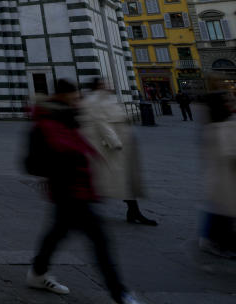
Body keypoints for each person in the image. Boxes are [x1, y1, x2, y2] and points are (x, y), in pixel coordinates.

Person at [26, 79, 139, 304]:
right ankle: (119, 293)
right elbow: (33, 162)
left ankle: (38, 271)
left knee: (57, 233)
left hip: (75, 190)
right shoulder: (48, 122)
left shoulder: (69, 116)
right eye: (76, 96)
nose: (79, 100)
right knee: (98, 241)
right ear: (65, 95)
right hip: (69, 190)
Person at [81, 78, 157, 226]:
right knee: (108, 180)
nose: (109, 85)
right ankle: (80, 209)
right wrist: (114, 141)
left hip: (119, 146)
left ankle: (133, 211)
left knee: (123, 180)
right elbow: (101, 123)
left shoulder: (108, 99)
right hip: (109, 147)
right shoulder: (94, 101)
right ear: (97, 86)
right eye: (103, 84)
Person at [199, 81, 236, 258]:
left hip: (219, 180)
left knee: (219, 211)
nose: (231, 103)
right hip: (223, 180)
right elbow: (230, 154)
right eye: (228, 101)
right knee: (223, 211)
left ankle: (212, 240)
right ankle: (218, 243)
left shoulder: (216, 125)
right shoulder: (221, 127)